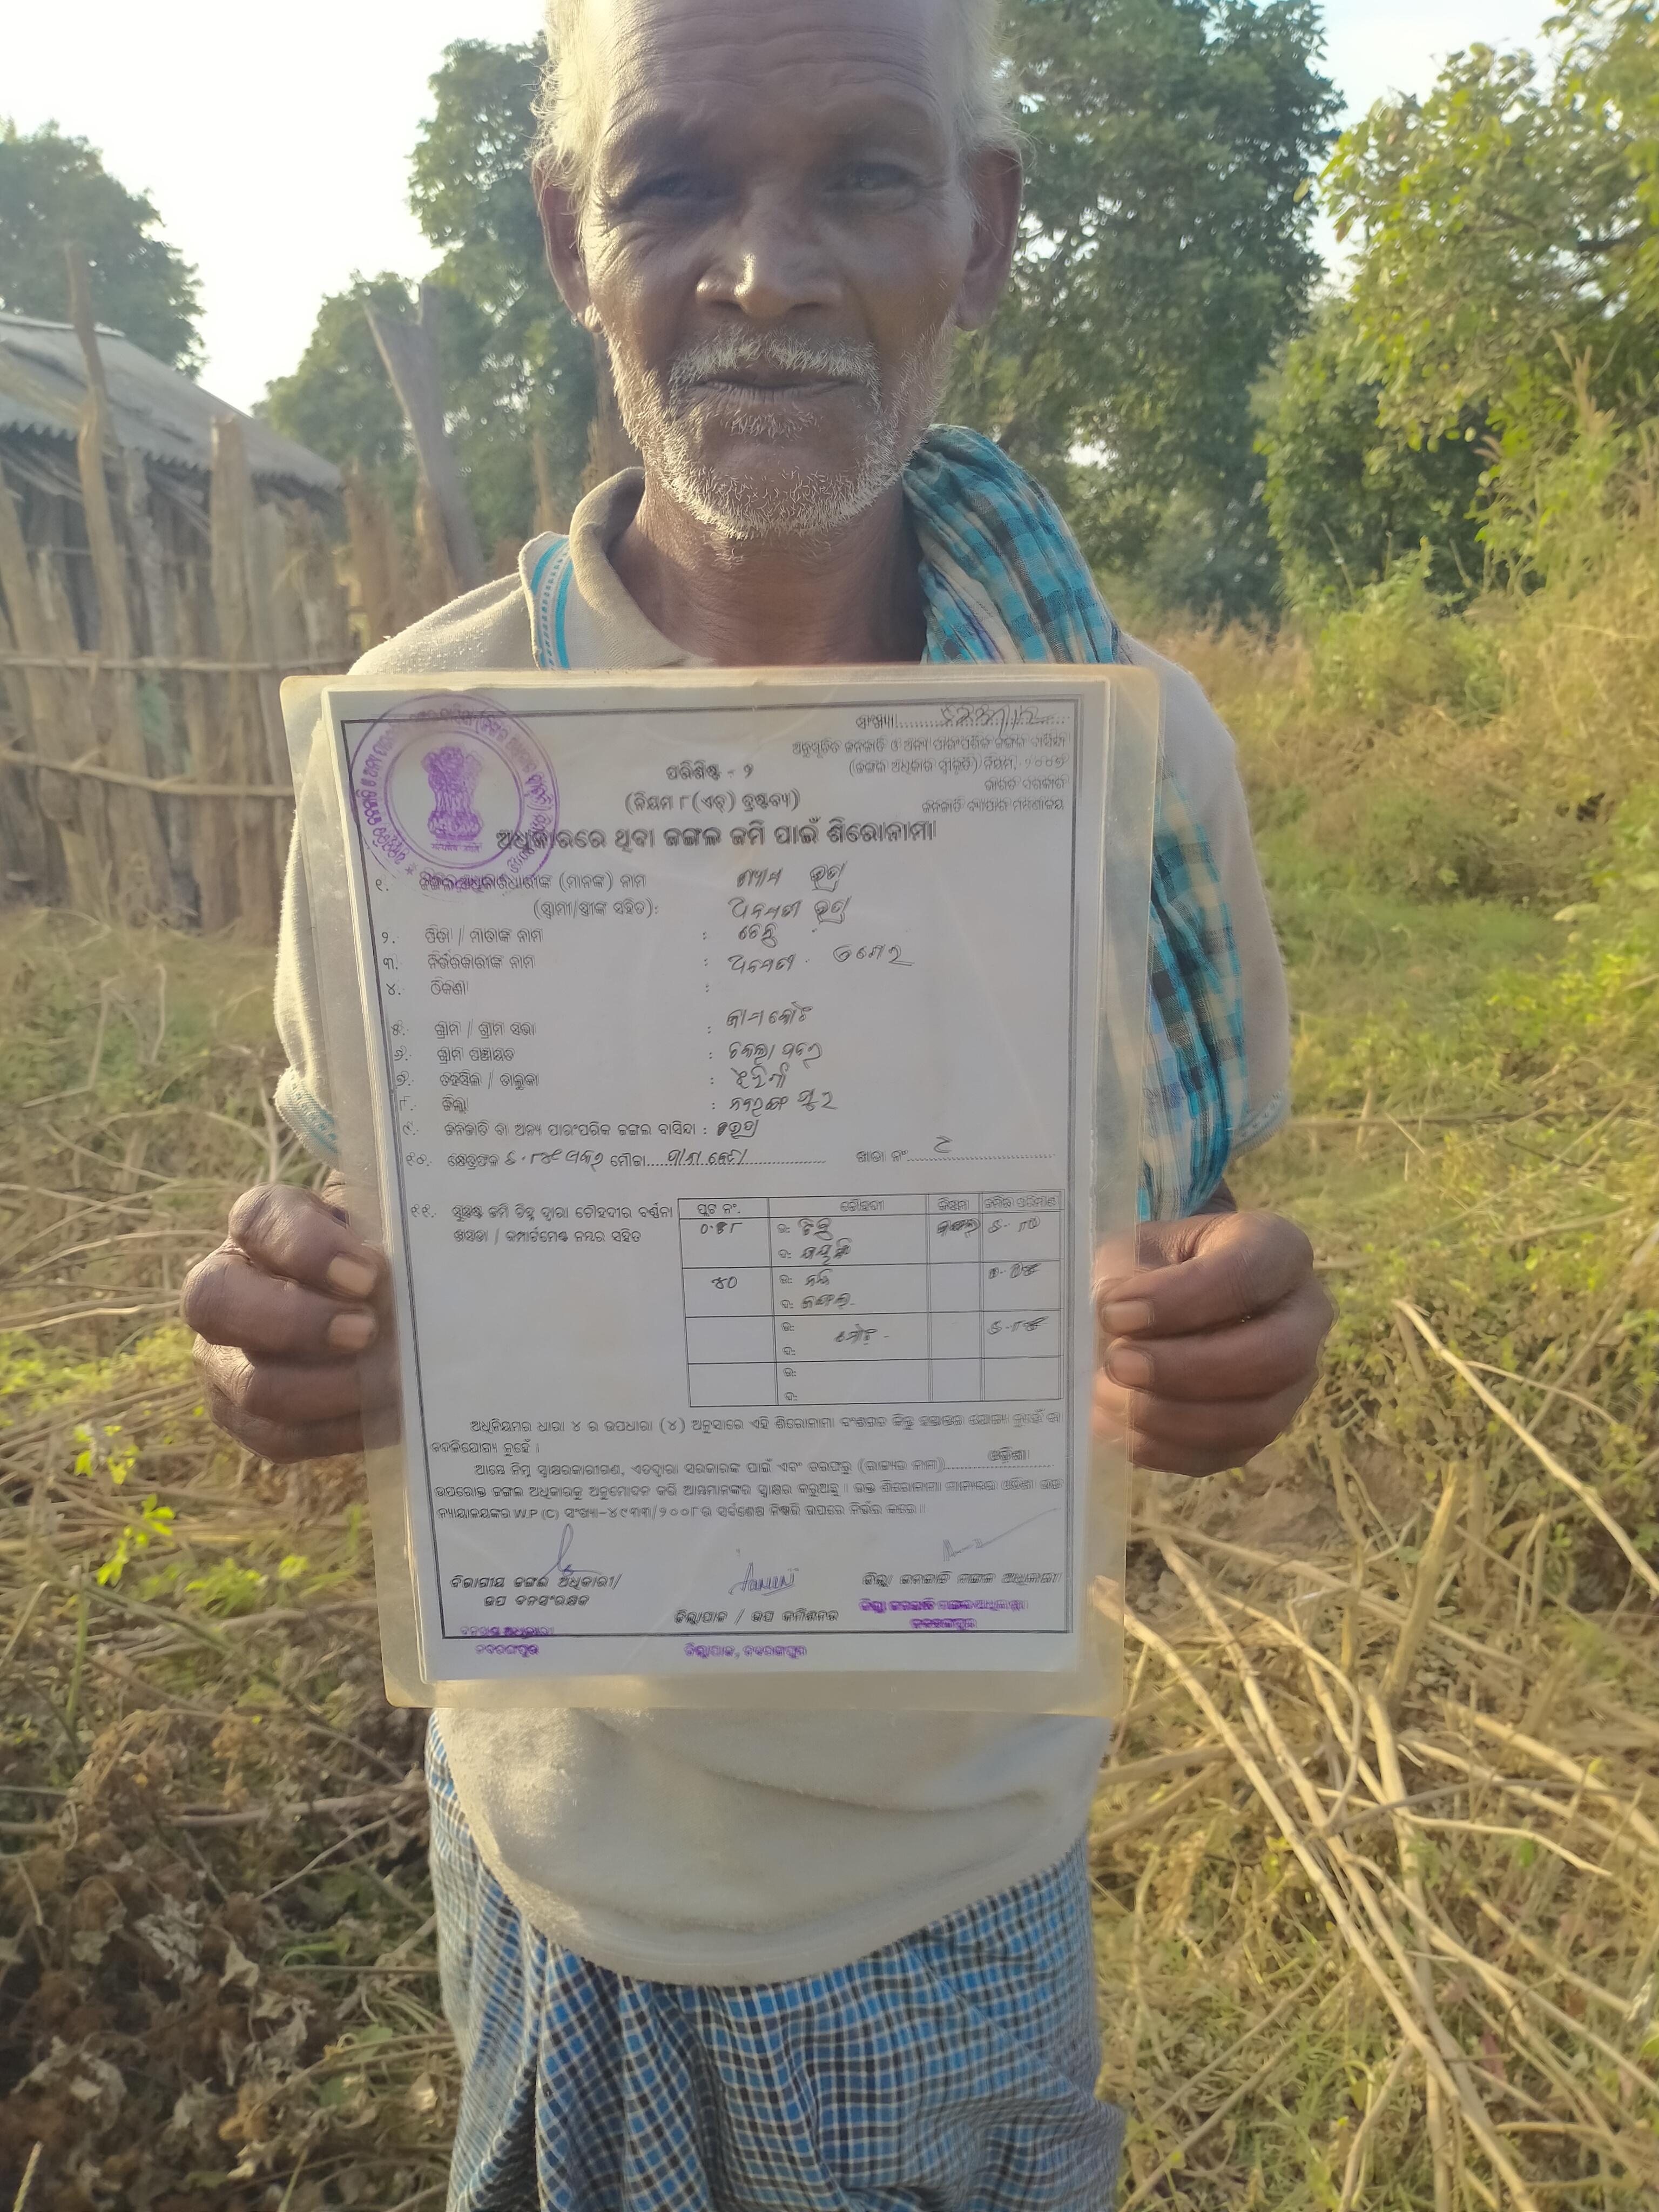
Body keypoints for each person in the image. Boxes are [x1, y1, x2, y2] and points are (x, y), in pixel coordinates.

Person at [182, 0, 1332, 2202]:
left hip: (947, 1870)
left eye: (867, 177)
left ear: (984, 229)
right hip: (548, 1851)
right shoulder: (422, 750)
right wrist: (290, 1323)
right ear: (568, 238)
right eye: (676, 183)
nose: (765, 272)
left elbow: (1198, 1237)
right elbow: (332, 1215)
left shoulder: (1123, 754)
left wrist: (1238, 1331)